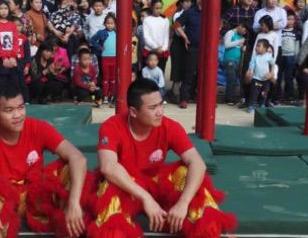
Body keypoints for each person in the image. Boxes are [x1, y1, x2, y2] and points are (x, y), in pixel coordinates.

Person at [89, 78, 236, 236]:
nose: (160, 112)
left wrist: (183, 203)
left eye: (161, 104)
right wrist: (146, 198)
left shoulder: (170, 126)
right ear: (133, 112)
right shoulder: (112, 126)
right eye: (153, 107)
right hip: (128, 186)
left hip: (158, 183)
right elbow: (108, 167)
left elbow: (197, 163)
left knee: (186, 175)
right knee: (110, 190)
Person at [0, 80, 88, 237]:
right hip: (1, 198)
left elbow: (78, 158)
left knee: (72, 171)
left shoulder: (38, 127)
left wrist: (74, 202)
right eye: (9, 110)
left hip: (35, 197)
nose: (17, 115)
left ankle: (70, 228)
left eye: (21, 107)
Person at [174, 0, 202, 108]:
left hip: (207, 49)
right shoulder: (190, 12)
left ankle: (203, 98)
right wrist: (185, 37)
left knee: (205, 74)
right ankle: (184, 99)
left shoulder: (211, 11)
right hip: (193, 47)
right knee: (189, 73)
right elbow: (176, 24)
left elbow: (220, 24)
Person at [170, 0, 196, 101]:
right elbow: (178, 31)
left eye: (190, 2)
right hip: (178, 43)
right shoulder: (178, 14)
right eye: (186, 1)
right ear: (181, 2)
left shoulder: (193, 14)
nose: (189, 4)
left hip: (188, 44)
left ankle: (184, 93)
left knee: (187, 69)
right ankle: (175, 93)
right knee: (177, 69)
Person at [0, 0, 19, 84]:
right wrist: (4, 57)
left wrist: (12, 56)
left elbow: (15, 41)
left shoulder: (12, 24)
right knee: (1, 82)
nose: (4, 11)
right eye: (1, 8)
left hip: (12, 57)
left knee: (13, 81)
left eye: (6, 8)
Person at [90, 14, 116, 105]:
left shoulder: (117, 33)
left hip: (115, 58)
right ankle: (105, 95)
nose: (110, 25)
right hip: (105, 57)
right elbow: (92, 40)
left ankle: (111, 95)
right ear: (104, 24)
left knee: (113, 78)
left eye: (112, 23)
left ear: (115, 24)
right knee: (105, 78)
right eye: (108, 23)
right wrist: (99, 47)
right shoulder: (101, 32)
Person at [276, 10, 300, 103]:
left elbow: (297, 46)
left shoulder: (296, 32)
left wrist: (296, 58)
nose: (290, 21)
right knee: (278, 76)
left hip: (291, 57)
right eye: (288, 19)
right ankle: (277, 95)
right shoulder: (280, 31)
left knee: (288, 77)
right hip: (280, 56)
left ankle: (288, 96)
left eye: (292, 19)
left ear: (294, 21)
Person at [245, 39, 275, 113]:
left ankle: (262, 105)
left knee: (264, 93)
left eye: (259, 46)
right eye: (256, 46)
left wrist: (271, 73)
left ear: (265, 48)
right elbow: (251, 66)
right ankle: (251, 106)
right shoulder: (255, 57)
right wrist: (250, 72)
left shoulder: (268, 56)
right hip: (256, 79)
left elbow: (273, 64)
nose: (256, 48)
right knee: (254, 93)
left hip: (265, 80)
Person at [223, 22, 249, 105]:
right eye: (244, 30)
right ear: (240, 26)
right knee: (231, 79)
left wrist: (243, 48)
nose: (244, 32)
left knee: (234, 80)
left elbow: (237, 47)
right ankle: (228, 99)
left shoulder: (240, 36)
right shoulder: (230, 33)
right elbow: (226, 44)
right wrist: (238, 42)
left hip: (237, 60)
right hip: (229, 59)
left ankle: (231, 97)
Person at [143, 0, 169, 72]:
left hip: (162, 52)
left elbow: (166, 36)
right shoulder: (147, 20)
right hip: (150, 50)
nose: (159, 10)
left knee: (160, 72)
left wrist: (163, 48)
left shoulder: (165, 20)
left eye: (160, 8)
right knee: (149, 74)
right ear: (151, 7)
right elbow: (146, 37)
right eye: (156, 8)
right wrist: (156, 47)